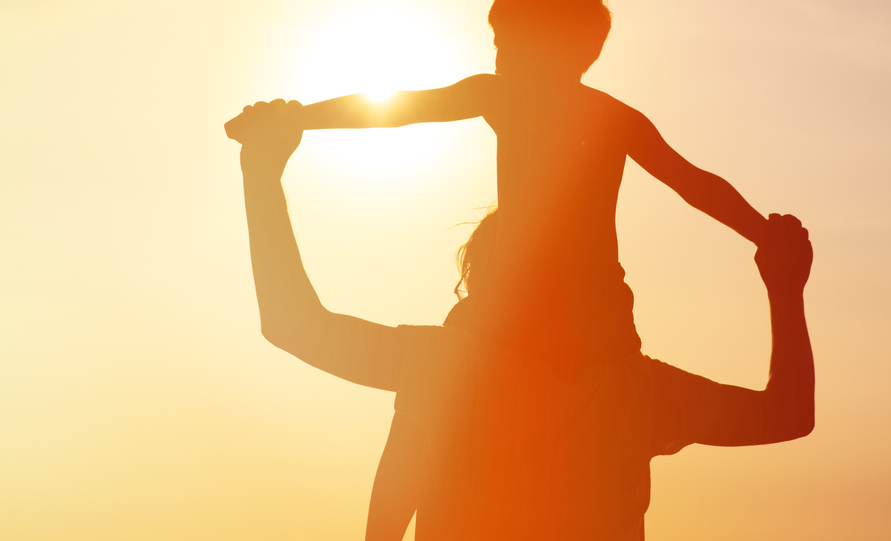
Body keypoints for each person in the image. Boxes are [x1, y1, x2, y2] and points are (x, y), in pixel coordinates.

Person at [237, 99, 815, 540]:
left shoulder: (449, 368)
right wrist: (785, 291)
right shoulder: (637, 393)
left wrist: (261, 170)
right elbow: (788, 414)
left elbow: (293, 324)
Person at [225, 0, 771, 374]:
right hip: (596, 319)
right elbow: (695, 184)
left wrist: (296, 118)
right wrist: (763, 233)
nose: (498, 55)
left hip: (530, 314)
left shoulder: (510, 97)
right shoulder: (612, 117)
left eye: (506, 41)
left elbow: (397, 109)